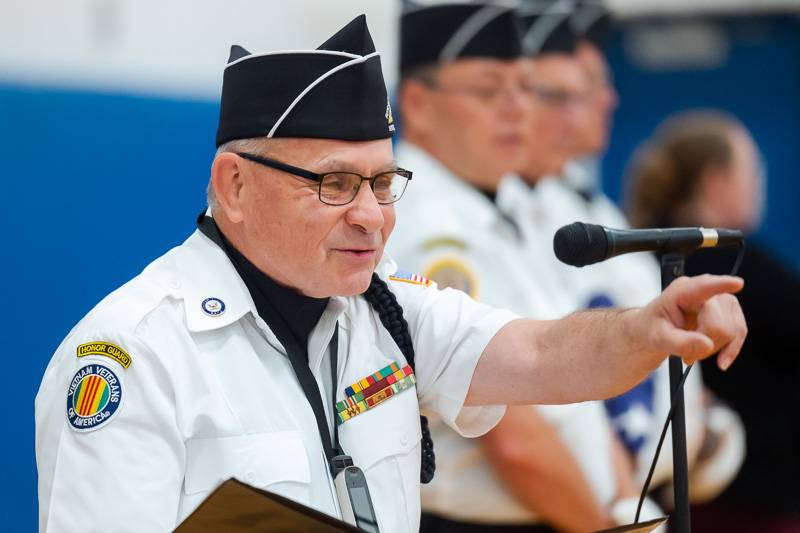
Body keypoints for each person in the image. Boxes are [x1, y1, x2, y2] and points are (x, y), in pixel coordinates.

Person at [36, 14, 747, 533]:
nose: (371, 216)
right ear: (235, 186)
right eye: (336, 184)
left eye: (383, 183)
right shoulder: (136, 354)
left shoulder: (385, 312)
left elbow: (539, 353)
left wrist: (652, 326)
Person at [392, 2, 656, 530]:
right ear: (418, 105)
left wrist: (627, 506)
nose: (518, 109)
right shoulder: (423, 226)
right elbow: (514, 439)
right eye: (490, 90)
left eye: (525, 89)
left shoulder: (510, 209)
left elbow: (577, 394)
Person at [625, 109, 800, 532]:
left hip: (668, 496)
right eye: (751, 169)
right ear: (716, 181)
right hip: (751, 503)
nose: (760, 182)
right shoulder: (740, 268)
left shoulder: (638, 262)